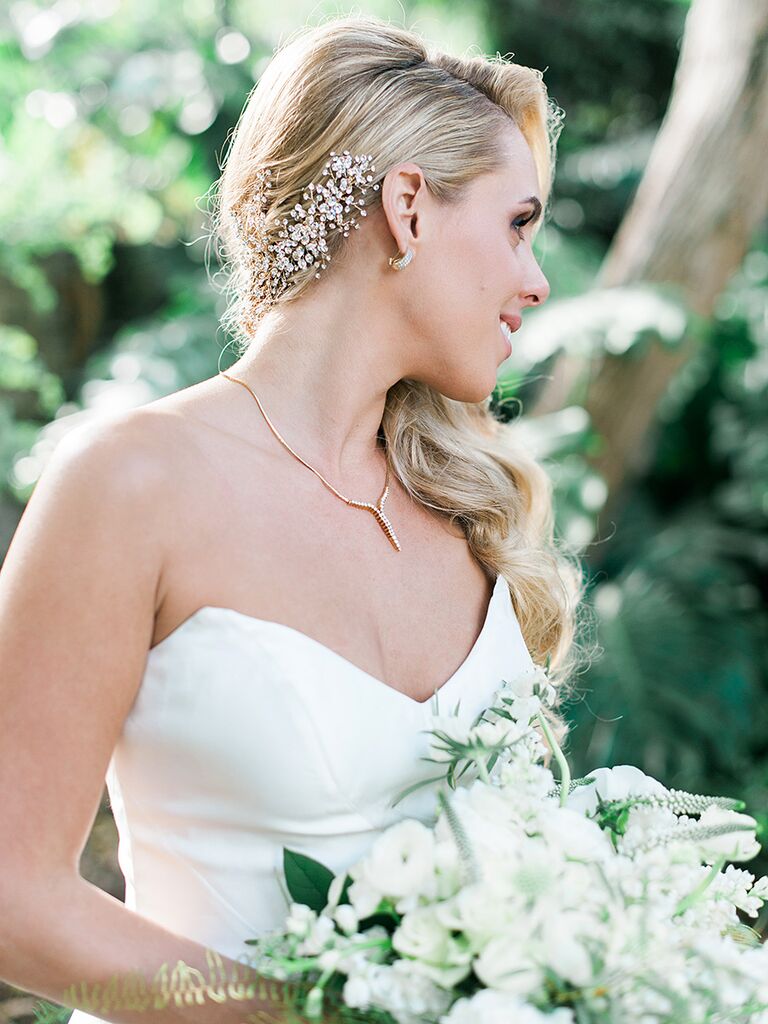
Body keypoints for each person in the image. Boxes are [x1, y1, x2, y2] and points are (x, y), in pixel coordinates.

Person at [0, 13, 586, 1023]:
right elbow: (14, 899)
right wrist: (306, 1018)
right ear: (408, 208)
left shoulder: (469, 505)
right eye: (518, 224)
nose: (535, 279)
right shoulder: (130, 482)